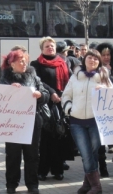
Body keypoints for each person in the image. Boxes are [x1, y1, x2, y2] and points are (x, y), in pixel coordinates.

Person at [62, 49, 113, 194]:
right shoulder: (75, 77)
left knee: (92, 153)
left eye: (96, 59)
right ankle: (96, 185)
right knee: (86, 153)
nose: (93, 61)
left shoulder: (104, 77)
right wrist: (69, 109)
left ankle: (88, 183)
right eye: (90, 58)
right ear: (84, 60)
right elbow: (66, 95)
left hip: (96, 122)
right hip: (76, 121)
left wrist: (105, 89)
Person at [0, 49, 49, 194]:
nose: (24, 63)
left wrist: (40, 95)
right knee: (12, 154)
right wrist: (8, 90)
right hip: (12, 122)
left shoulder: (33, 75)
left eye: (25, 60)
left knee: (32, 154)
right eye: (20, 61)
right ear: (12, 64)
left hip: (32, 121)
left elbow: (45, 93)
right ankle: (11, 184)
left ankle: (32, 184)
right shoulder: (5, 78)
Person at [30, 36, 75, 181]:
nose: (50, 48)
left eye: (52, 46)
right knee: (44, 139)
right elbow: (39, 82)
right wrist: (52, 93)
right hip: (44, 105)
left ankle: (58, 169)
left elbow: (70, 80)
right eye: (47, 46)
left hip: (60, 104)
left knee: (59, 137)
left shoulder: (63, 62)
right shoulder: (36, 64)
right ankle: (42, 170)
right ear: (42, 49)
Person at [95, 42, 113, 177]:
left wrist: (111, 73)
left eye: (108, 54)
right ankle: (102, 167)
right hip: (100, 110)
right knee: (100, 142)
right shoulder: (95, 70)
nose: (106, 57)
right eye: (103, 55)